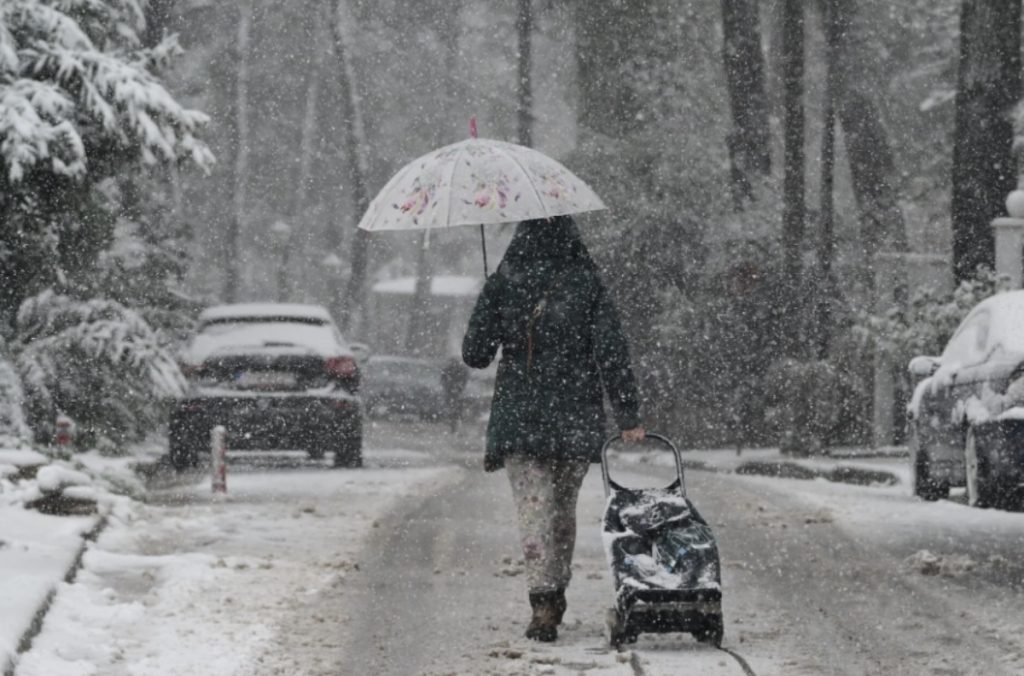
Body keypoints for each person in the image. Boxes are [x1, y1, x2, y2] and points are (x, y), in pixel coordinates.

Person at [462, 215, 644, 642]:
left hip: (519, 419)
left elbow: (475, 355)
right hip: (575, 417)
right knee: (561, 510)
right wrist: (628, 413)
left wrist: (491, 300)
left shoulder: (505, 282)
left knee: (534, 511)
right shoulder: (586, 284)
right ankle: (555, 589)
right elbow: (612, 351)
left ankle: (543, 602)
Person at [440, 356, 469, 433]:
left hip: (455, 393)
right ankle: (454, 425)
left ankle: (455, 426)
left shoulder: (460, 370)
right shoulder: (447, 370)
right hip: (451, 392)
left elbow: (464, 380)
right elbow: (443, 380)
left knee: (456, 410)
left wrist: (458, 387)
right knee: (453, 410)